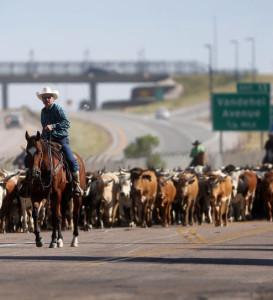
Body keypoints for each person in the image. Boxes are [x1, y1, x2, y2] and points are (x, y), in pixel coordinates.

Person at [37, 86, 83, 196]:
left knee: (71, 159)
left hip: (61, 139)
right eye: (44, 98)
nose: (46, 99)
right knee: (35, 156)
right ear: (42, 100)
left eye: (48, 97)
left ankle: (76, 184)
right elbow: (44, 128)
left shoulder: (58, 109)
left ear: (53, 98)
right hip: (47, 140)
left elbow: (66, 123)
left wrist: (52, 126)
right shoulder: (43, 112)